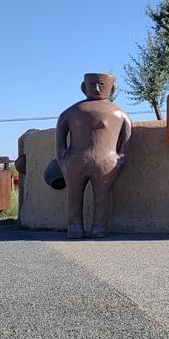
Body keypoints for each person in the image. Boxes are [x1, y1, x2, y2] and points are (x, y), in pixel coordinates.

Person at [56, 73, 132, 239]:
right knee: (74, 196)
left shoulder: (120, 114)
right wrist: (63, 160)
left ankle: (99, 228)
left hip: (106, 162)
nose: (97, 89)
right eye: (92, 85)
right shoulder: (70, 113)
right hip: (75, 161)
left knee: (102, 197)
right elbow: (60, 142)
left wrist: (120, 160)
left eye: (101, 85)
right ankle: (75, 228)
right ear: (84, 87)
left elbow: (126, 141)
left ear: (112, 88)